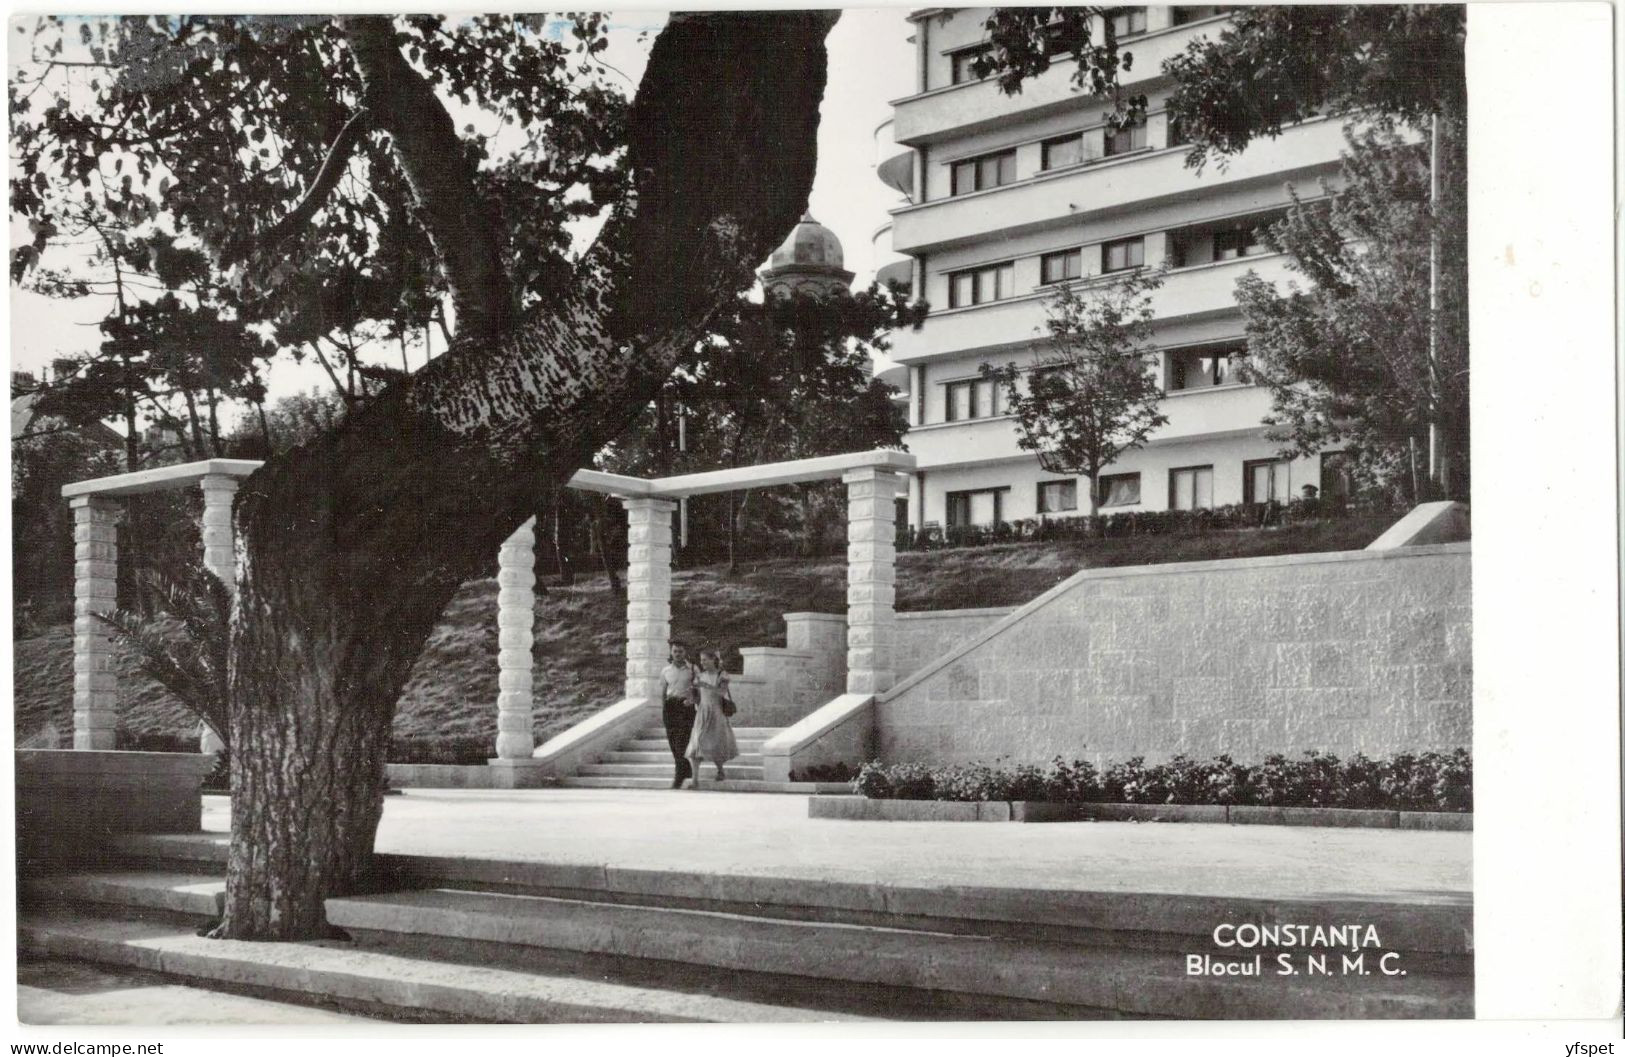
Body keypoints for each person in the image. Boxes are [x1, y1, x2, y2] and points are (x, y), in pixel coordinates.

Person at [685, 647, 739, 786]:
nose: (702, 663)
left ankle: (720, 770)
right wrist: (690, 700)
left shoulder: (722, 675)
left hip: (717, 713)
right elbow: (697, 698)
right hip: (702, 713)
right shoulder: (699, 676)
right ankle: (695, 780)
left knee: (716, 744)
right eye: (701, 660)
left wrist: (706, 685)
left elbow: (721, 692)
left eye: (705, 660)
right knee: (696, 745)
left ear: (713, 659)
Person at [659, 642, 699, 789]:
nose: (677, 654)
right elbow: (663, 692)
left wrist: (692, 700)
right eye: (675, 651)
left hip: (685, 707)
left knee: (682, 741)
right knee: (672, 741)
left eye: (680, 651)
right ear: (671, 652)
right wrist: (664, 709)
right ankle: (683, 770)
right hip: (671, 707)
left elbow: (698, 690)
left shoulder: (693, 669)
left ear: (685, 652)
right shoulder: (665, 671)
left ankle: (680, 773)